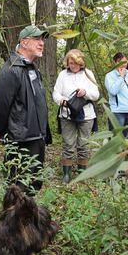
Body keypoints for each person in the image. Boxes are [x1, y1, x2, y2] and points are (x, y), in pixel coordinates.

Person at [0, 25, 52, 193]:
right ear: (24, 42)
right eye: (37, 39)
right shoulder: (11, 70)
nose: (42, 43)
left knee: (33, 185)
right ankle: (14, 219)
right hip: (21, 139)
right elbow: (1, 108)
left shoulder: (32, 68)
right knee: (19, 187)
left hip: (36, 137)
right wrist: (5, 134)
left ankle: (28, 218)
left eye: (43, 40)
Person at [52, 49, 100, 183]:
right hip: (67, 114)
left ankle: (81, 173)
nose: (72, 65)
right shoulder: (63, 75)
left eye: (75, 63)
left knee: (83, 144)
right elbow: (56, 93)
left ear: (81, 62)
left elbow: (96, 95)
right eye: (70, 62)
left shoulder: (88, 74)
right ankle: (66, 174)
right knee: (68, 144)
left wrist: (85, 92)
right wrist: (61, 100)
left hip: (86, 114)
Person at [104, 52, 128, 137]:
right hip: (118, 112)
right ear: (115, 62)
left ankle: (125, 151)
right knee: (116, 138)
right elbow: (113, 91)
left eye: (125, 62)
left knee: (127, 138)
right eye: (121, 62)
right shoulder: (109, 76)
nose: (124, 65)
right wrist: (121, 77)